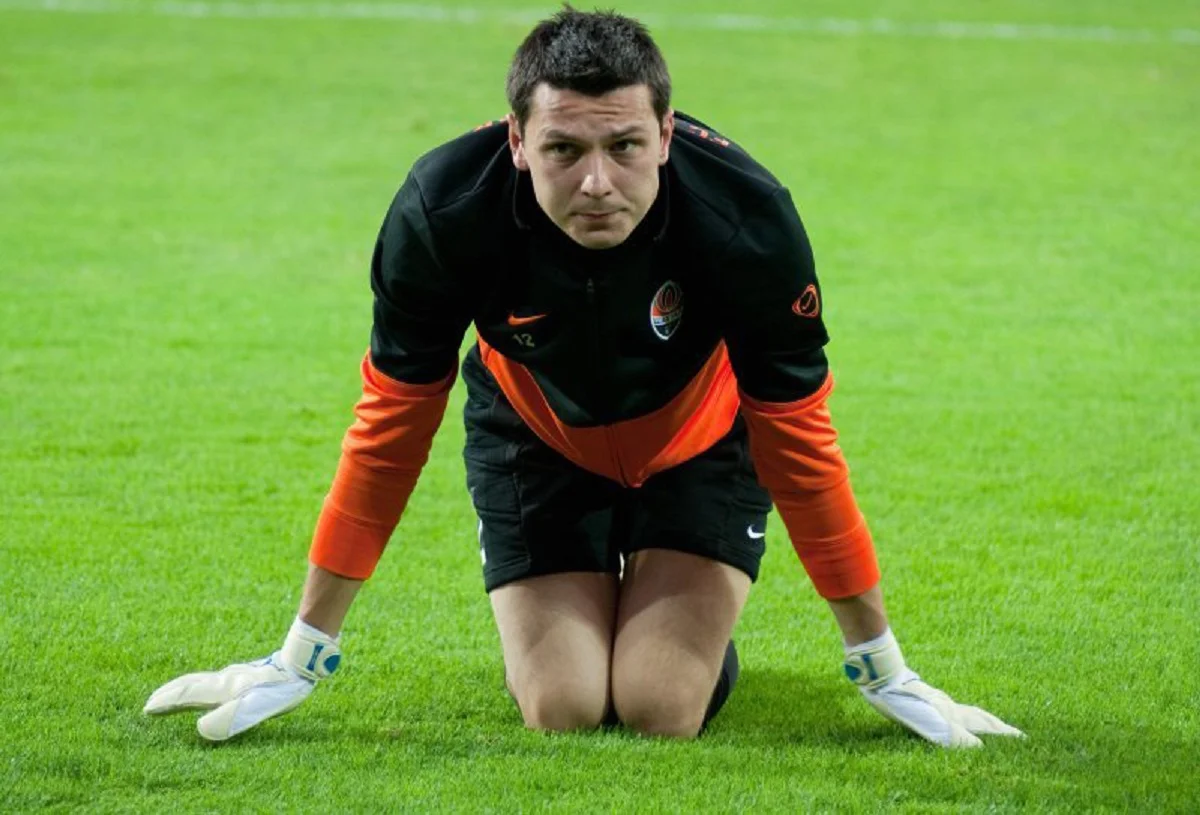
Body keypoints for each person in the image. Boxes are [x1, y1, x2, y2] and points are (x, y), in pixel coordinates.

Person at [144, 8, 1022, 748]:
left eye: (625, 145)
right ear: (517, 141)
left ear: (666, 136)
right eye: (563, 148)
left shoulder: (746, 217)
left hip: (701, 443)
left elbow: (799, 439)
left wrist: (880, 663)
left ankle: (668, 600)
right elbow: (389, 428)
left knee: (658, 706)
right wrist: (302, 651)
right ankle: (614, 596)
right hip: (535, 438)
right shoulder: (445, 211)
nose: (597, 182)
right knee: (562, 706)